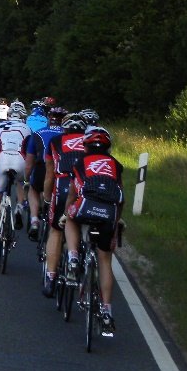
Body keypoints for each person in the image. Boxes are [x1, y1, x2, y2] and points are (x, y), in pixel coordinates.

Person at [61, 127, 125, 337]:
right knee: (105, 260)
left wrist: (66, 212)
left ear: (86, 146)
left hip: (86, 206)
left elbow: (73, 192)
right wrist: (115, 224)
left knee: (71, 219)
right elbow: (121, 197)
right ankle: (106, 312)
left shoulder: (80, 162)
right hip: (109, 212)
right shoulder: (116, 165)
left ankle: (73, 256)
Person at [41, 112, 87, 297]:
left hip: (63, 185)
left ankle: (51, 277)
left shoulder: (55, 141)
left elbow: (49, 174)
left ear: (64, 128)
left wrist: (46, 198)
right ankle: (80, 257)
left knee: (56, 230)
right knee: (81, 222)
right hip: (85, 187)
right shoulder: (90, 142)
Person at [0, 100, 30, 256]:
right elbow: (32, 155)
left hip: (2, 160)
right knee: (21, 182)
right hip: (20, 161)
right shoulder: (28, 129)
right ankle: (19, 207)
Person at [26, 105, 65, 240]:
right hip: (62, 170)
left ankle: (34, 220)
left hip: (41, 167)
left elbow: (29, 161)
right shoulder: (67, 134)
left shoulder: (38, 133)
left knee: (33, 189)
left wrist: (26, 178)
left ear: (49, 118)